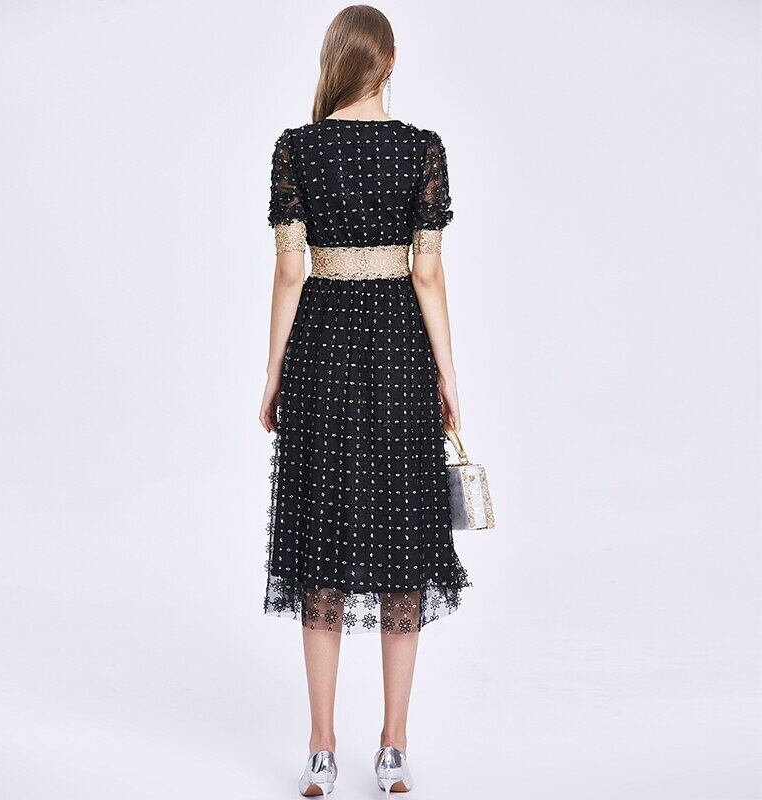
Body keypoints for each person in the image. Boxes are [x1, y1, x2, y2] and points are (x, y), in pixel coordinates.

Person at [259, 5, 471, 796]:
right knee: (402, 549)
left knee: (320, 546)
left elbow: (291, 271)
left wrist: (273, 373)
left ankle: (321, 750)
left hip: (320, 353)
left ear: (334, 62)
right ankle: (393, 750)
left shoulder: (297, 148)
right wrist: (448, 375)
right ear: (390, 60)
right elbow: (427, 273)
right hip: (398, 356)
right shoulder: (422, 149)